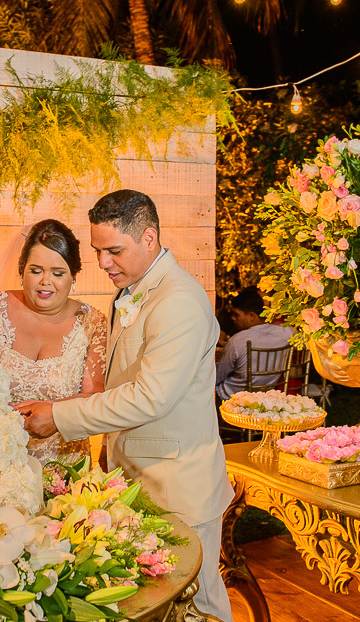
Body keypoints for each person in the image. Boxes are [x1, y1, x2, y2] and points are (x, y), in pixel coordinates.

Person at [15, 190, 235, 622]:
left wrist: (59, 416)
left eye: (114, 251)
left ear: (149, 238)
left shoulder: (178, 302)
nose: (102, 263)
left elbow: (150, 396)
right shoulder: (134, 291)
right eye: (98, 251)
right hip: (139, 478)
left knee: (200, 606)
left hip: (178, 487)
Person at [0, 219, 108, 461]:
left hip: (64, 463)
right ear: (21, 271)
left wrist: (55, 412)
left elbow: (95, 396)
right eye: (36, 271)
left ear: (74, 276)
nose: (45, 281)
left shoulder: (93, 324)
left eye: (58, 273)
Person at [215, 286, 294, 403]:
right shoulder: (286, 332)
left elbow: (217, 376)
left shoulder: (237, 340)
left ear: (251, 316)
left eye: (236, 314)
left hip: (233, 398)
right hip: (266, 398)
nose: (232, 318)